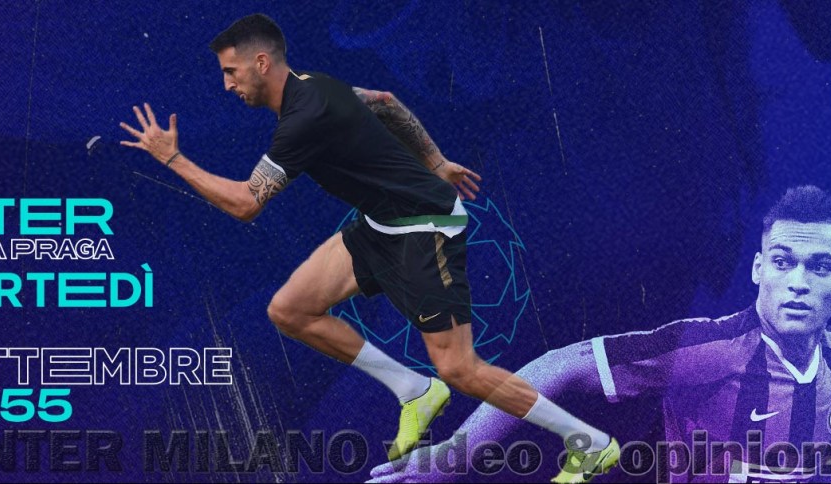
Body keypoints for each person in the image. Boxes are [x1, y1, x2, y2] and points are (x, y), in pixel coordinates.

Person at [119, 13, 617, 481]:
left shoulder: (301, 121)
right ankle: (414, 390)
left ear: (262, 63)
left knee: (460, 368)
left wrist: (173, 159)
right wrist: (437, 161)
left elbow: (246, 204)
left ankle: (592, 443)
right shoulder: (314, 84)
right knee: (291, 310)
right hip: (381, 225)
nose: (228, 85)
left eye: (231, 72)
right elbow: (383, 101)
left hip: (424, 232)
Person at [370, 185, 831, 483]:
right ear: (757, 269)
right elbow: (563, 364)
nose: (798, 283)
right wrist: (454, 457)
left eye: (819, 267)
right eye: (783, 261)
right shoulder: (710, 350)